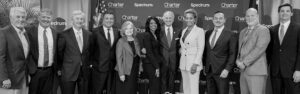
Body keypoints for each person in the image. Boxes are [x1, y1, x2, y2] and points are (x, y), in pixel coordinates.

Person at [57, 10, 92, 94]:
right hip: (68, 72)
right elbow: (59, 53)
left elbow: (90, 52)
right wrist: (60, 68)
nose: (79, 21)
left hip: (84, 72)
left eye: (81, 19)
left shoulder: (89, 34)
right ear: (72, 20)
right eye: (77, 19)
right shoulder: (64, 34)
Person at [236, 8, 270, 94]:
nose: (250, 18)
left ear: (257, 16)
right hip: (243, 72)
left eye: (252, 16)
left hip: (256, 71)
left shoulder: (263, 30)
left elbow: (259, 49)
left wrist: (244, 63)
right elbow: (240, 49)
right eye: (247, 16)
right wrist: (238, 60)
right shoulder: (243, 31)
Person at [268, 3, 300, 94]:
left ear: (291, 13)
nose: (284, 13)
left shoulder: (298, 28)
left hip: (292, 72)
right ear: (278, 13)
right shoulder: (272, 29)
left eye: (287, 11)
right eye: (282, 11)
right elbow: (269, 52)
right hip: (275, 71)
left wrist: (298, 70)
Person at [204, 11, 238, 94]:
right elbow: (207, 51)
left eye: (220, 18)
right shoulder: (208, 33)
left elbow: (232, 54)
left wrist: (227, 69)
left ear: (224, 20)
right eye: (216, 18)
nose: (218, 20)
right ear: (212, 20)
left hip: (222, 71)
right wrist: (205, 65)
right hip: (209, 71)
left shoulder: (231, 34)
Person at [26, 9, 58, 94]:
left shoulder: (56, 33)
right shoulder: (29, 32)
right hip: (35, 71)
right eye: (43, 17)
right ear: (39, 18)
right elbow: (26, 53)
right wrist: (27, 72)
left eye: (48, 17)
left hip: (50, 72)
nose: (46, 19)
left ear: (51, 19)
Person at [0, 7, 29, 94]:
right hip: (9, 81)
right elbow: (0, 57)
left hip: (23, 79)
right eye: (18, 17)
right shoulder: (3, 33)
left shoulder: (25, 33)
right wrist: (4, 78)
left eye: (23, 17)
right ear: (11, 18)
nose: (21, 19)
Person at [90, 11, 120, 94]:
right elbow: (90, 49)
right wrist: (92, 64)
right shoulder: (95, 32)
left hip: (113, 68)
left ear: (113, 20)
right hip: (98, 68)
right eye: (107, 18)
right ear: (102, 20)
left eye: (111, 18)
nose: (109, 20)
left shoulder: (117, 31)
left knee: (110, 91)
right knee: (97, 91)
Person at [179, 8, 205, 94]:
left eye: (191, 18)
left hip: (193, 64)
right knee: (186, 87)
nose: (188, 20)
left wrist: (195, 64)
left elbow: (200, 48)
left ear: (195, 19)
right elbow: (184, 46)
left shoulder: (199, 31)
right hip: (184, 63)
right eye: (186, 18)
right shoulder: (184, 31)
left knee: (193, 88)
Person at [115, 21, 142, 94]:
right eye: (126, 29)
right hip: (125, 71)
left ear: (133, 30)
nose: (129, 30)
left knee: (132, 90)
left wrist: (140, 68)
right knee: (125, 91)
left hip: (134, 70)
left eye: (131, 28)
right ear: (123, 30)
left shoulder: (136, 40)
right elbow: (119, 58)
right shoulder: (121, 41)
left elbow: (138, 55)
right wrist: (121, 74)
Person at [160, 11, 181, 94]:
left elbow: (180, 45)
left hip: (174, 60)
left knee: (172, 78)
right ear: (163, 18)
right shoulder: (158, 30)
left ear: (173, 19)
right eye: (166, 18)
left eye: (170, 18)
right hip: (162, 60)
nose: (168, 19)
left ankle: (171, 92)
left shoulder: (179, 31)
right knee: (163, 78)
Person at [141, 16, 163, 94]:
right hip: (151, 64)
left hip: (155, 63)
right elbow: (149, 53)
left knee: (155, 85)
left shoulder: (156, 35)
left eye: (155, 23)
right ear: (148, 25)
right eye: (151, 23)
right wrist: (156, 67)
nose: (153, 25)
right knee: (154, 85)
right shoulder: (147, 35)